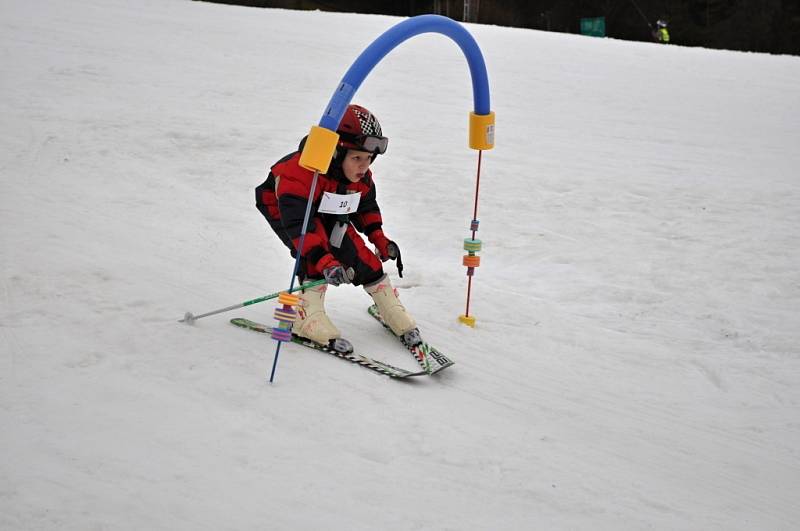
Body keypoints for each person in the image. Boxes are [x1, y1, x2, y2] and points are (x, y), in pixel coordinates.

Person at [255, 104, 421, 354]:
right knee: (315, 252)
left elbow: (364, 205)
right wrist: (326, 262)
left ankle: (389, 305)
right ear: (334, 153)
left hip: (326, 203)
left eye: (368, 159)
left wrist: (378, 237)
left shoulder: (358, 174)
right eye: (356, 158)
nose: (364, 166)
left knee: (357, 253)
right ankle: (305, 314)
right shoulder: (299, 175)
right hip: (286, 208)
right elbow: (301, 228)